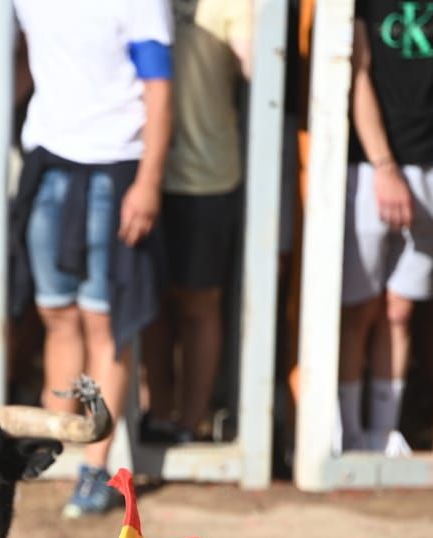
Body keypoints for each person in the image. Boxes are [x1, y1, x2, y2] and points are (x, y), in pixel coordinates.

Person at [11, 0, 172, 518]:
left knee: (106, 322)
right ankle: (52, 449)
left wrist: (148, 181)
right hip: (48, 164)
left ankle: (95, 468)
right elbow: (18, 62)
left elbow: (160, 89)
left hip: (115, 167)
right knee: (55, 313)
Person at [333, 0, 433, 458]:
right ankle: (346, 431)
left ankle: (386, 430)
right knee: (359, 308)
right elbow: (355, 72)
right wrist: (384, 166)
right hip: (369, 167)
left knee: (401, 309)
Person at [142, 0, 250, 446]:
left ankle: (191, 420)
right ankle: (159, 413)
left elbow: (258, 68)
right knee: (153, 306)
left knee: (198, 303)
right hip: (137, 170)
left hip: (206, 176)